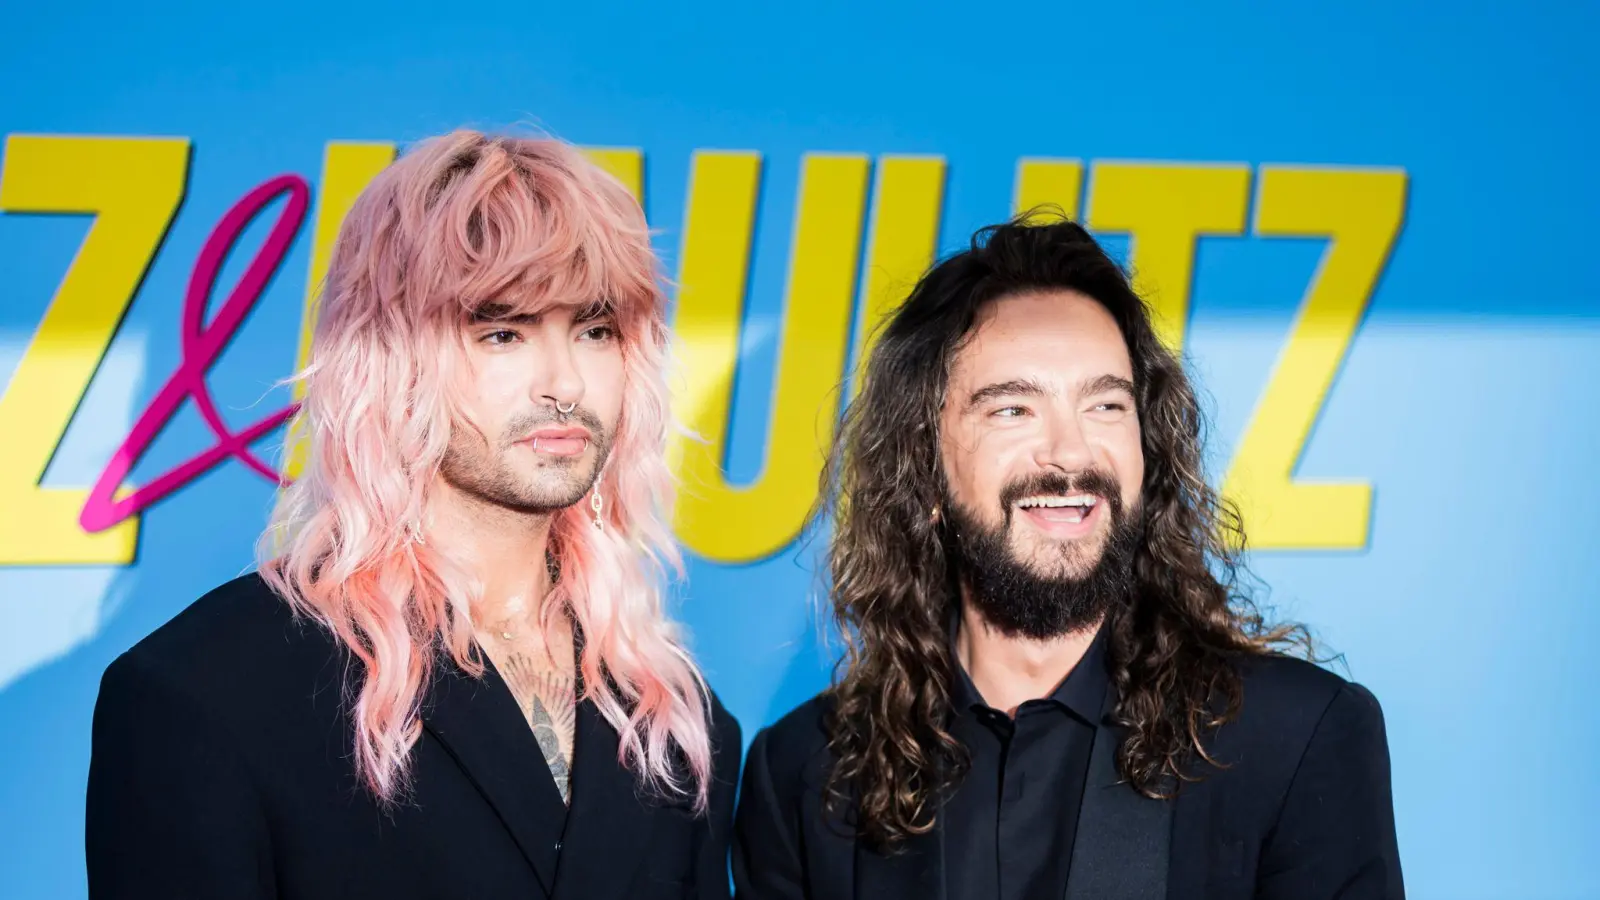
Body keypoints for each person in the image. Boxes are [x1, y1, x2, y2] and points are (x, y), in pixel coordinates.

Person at [86, 129, 741, 900]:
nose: (565, 383)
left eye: (595, 331)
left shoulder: (675, 719)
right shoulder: (205, 694)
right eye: (502, 332)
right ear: (386, 358)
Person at [732, 215, 1403, 899]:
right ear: (924, 472)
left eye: (1105, 405)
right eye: (1012, 410)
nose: (1070, 453)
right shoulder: (806, 774)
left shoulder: (1293, 740)